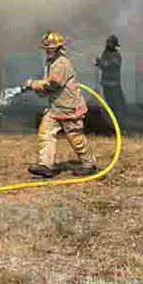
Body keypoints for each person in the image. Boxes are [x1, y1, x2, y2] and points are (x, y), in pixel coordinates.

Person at [25, 31, 98, 178]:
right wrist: (42, 91)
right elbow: (50, 85)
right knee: (45, 133)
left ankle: (89, 164)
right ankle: (45, 165)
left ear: (58, 48)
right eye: (46, 48)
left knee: (75, 137)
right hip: (55, 108)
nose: (47, 51)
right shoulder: (50, 62)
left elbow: (53, 83)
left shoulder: (62, 63)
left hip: (69, 108)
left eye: (50, 48)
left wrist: (34, 84)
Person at [95, 34, 127, 117]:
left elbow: (108, 66)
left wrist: (99, 61)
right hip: (106, 84)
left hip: (114, 85)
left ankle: (119, 120)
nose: (108, 45)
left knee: (116, 104)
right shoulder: (105, 53)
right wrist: (98, 63)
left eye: (110, 43)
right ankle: (111, 118)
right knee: (109, 103)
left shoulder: (116, 56)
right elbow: (102, 66)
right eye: (107, 43)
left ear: (114, 45)